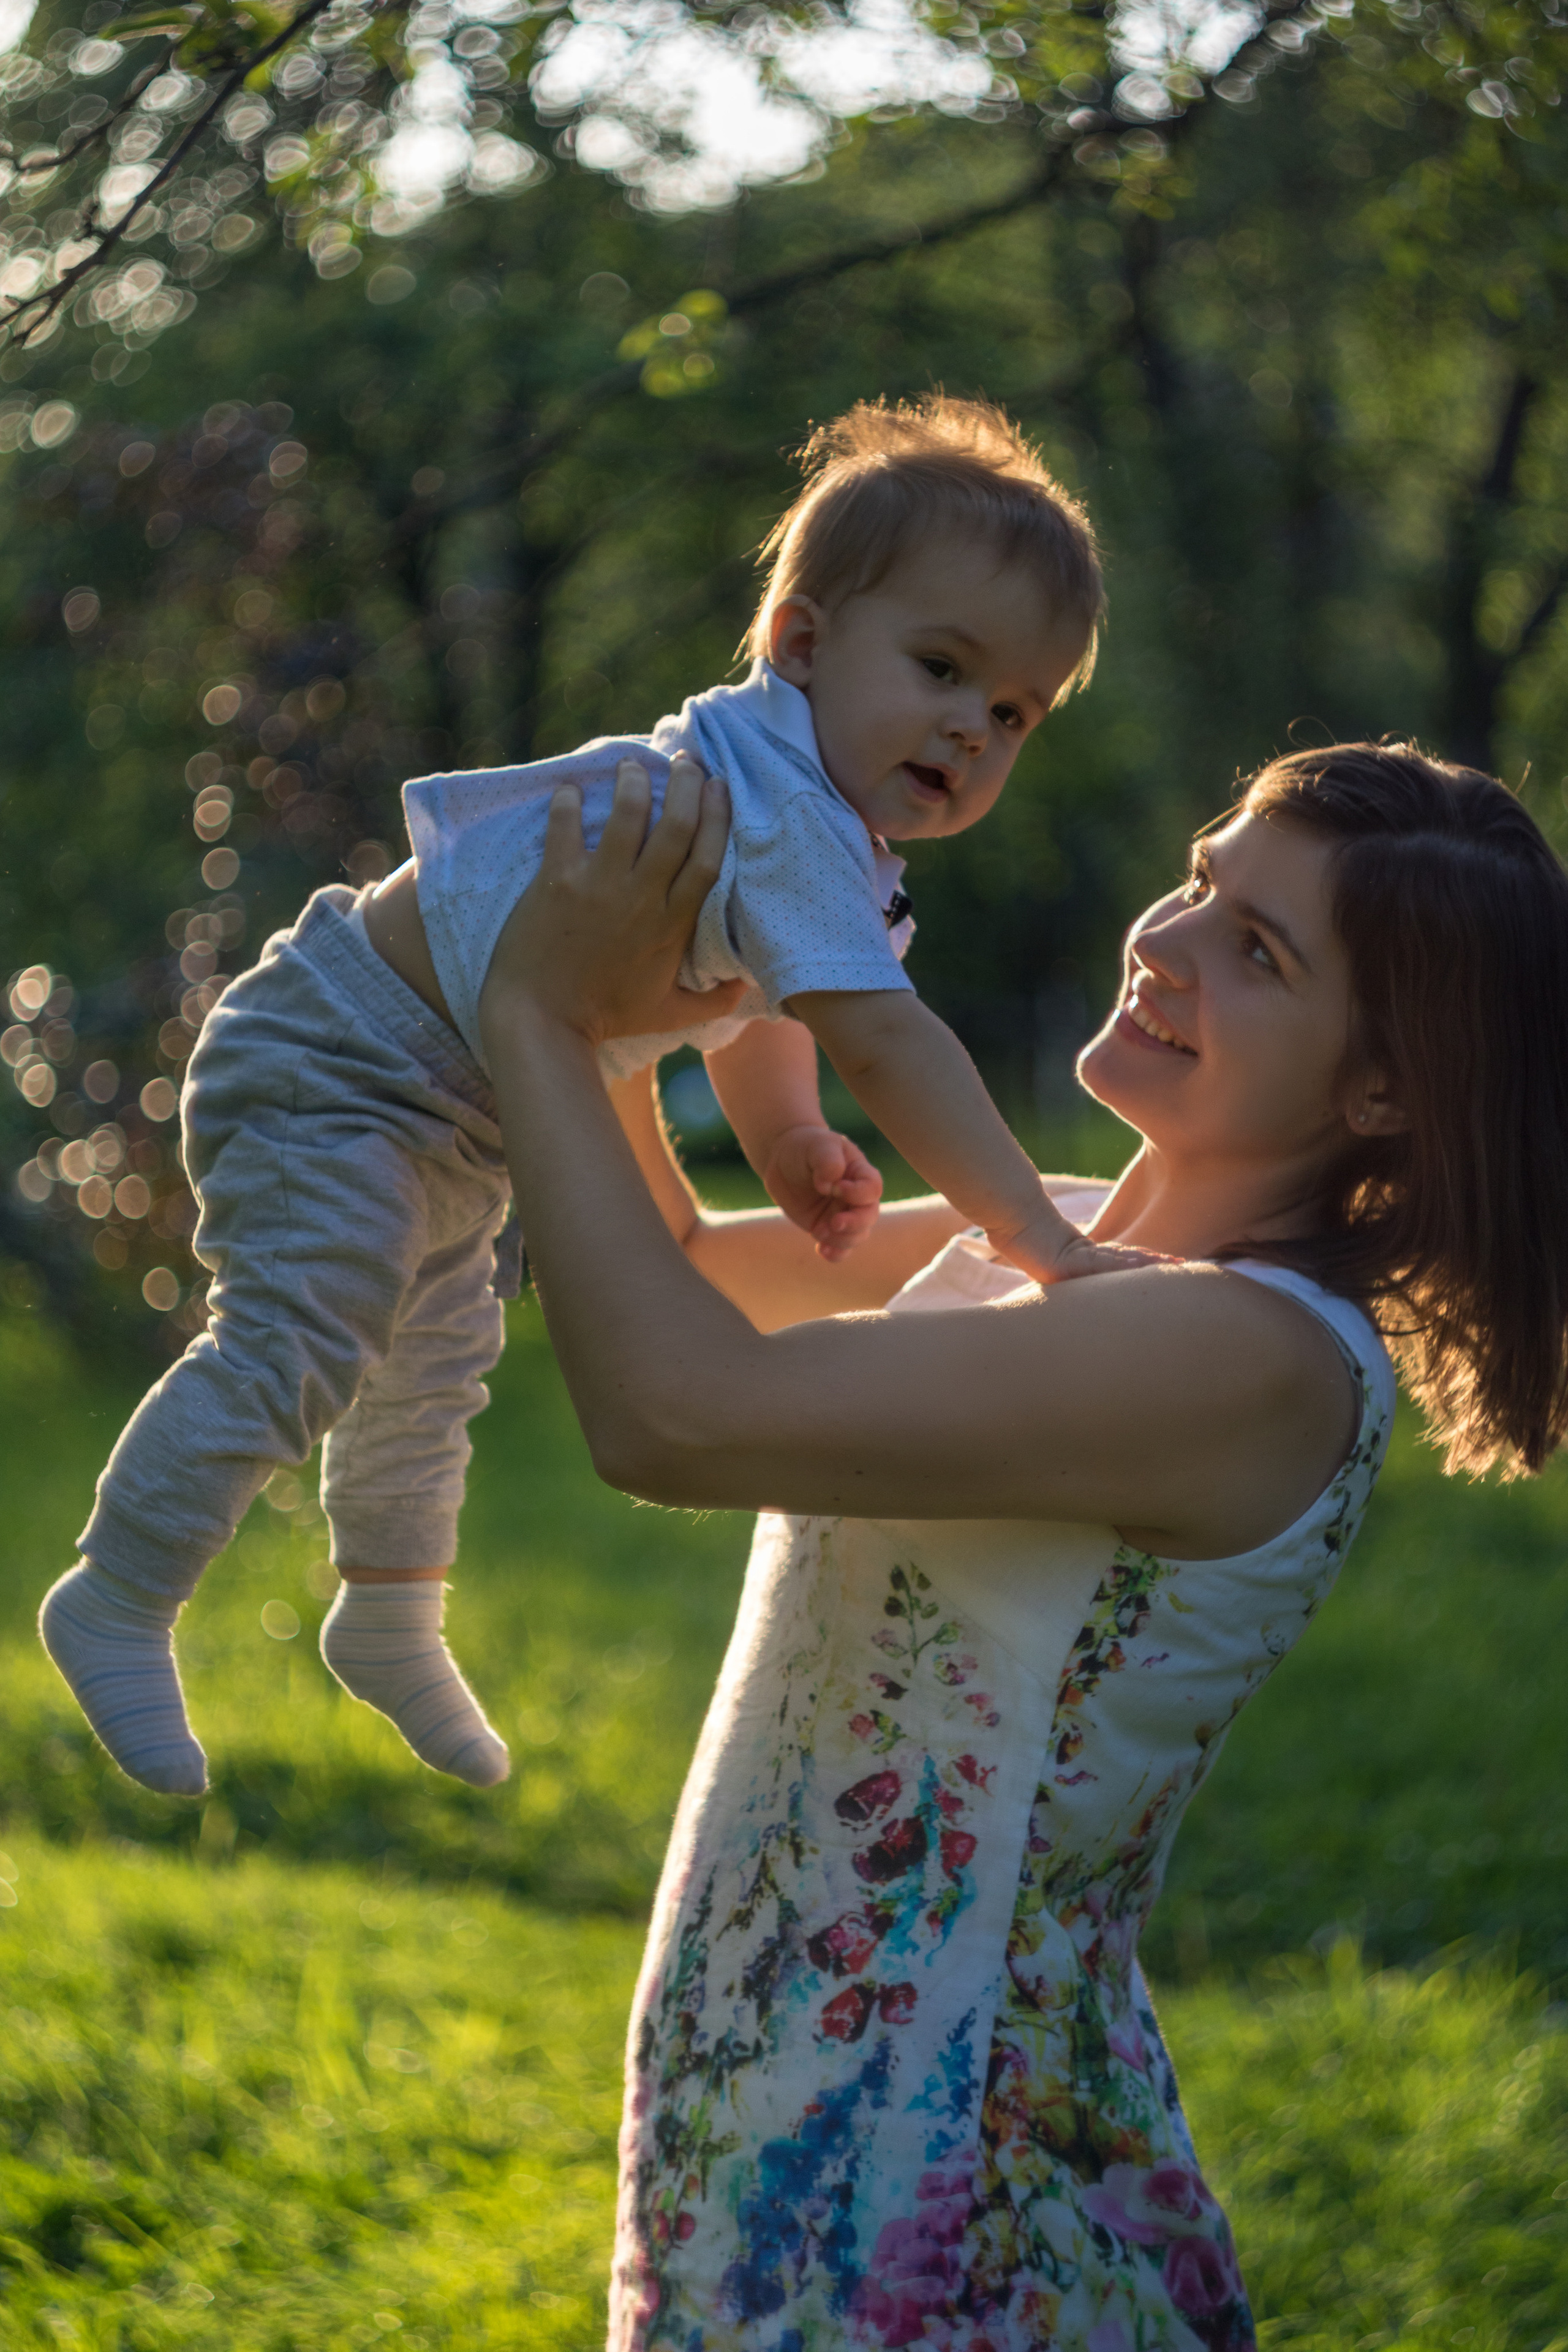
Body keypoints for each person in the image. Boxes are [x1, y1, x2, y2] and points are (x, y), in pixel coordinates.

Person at [475, 741, 1568, 2351]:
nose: (1167, 942)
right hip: (789, 2072)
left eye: (1256, 952)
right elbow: (688, 1264)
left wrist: (529, 1007)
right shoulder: (1044, 1232)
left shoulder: (1246, 1356)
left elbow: (670, 1415)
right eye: (1197, 882)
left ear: (1382, 1090)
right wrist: (633, 1012)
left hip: (955, 2166)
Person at [39, 392, 1151, 1804]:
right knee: (308, 1326)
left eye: (1010, 713)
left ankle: (386, 1613)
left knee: (433, 1359)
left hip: (457, 1112)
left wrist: (787, 1136)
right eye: (939, 668)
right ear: (802, 643)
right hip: (339, 1056)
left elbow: (760, 1005)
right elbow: (886, 1041)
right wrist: (1034, 1235)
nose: (969, 729)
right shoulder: (782, 803)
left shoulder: (817, 824)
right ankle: (119, 1591)